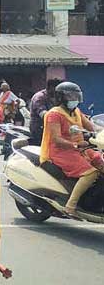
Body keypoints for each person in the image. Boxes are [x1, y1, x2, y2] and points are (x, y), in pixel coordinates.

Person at [39, 82, 104, 217]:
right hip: (61, 151)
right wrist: (76, 145)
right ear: (61, 98)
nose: (74, 99)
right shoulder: (54, 114)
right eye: (71, 96)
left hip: (81, 148)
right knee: (90, 173)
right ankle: (70, 206)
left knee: (100, 161)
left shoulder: (76, 112)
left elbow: (92, 127)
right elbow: (57, 139)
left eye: (76, 95)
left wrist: (100, 132)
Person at [29, 78, 62, 143]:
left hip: (52, 128)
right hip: (39, 129)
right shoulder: (40, 97)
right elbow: (43, 114)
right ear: (51, 87)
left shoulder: (56, 97)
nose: (59, 92)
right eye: (57, 89)